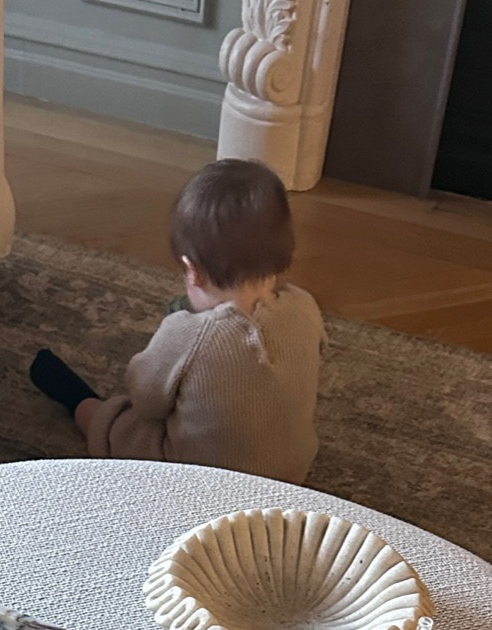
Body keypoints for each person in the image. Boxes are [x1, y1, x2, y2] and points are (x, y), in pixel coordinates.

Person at [29, 157, 325, 484]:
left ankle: (77, 401)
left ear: (193, 271)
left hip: (202, 482)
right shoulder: (304, 307)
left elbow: (146, 401)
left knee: (119, 424)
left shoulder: (189, 334)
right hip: (289, 475)